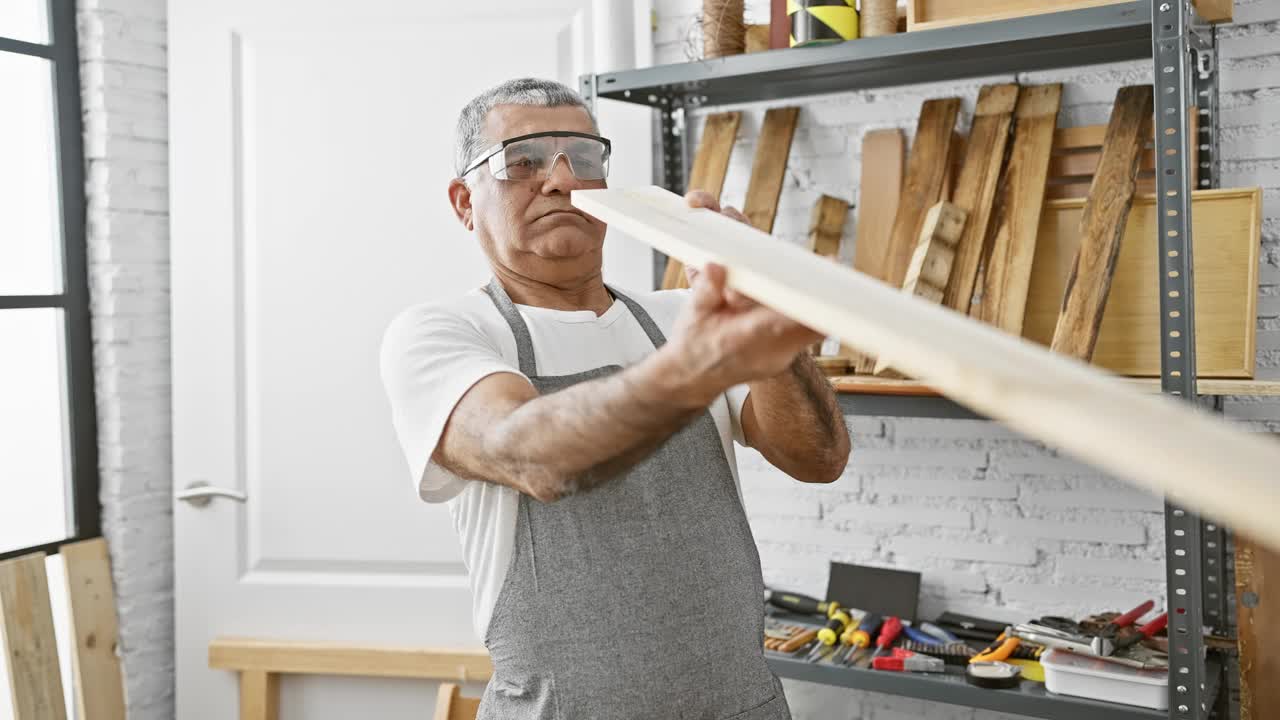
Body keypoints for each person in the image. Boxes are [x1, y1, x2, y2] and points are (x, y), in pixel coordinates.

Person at [380, 77, 850, 720]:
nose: (560, 180)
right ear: (465, 201)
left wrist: (768, 320)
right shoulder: (446, 334)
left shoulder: (683, 314)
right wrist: (694, 366)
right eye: (522, 162)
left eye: (584, 158)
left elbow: (818, 457)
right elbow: (531, 456)